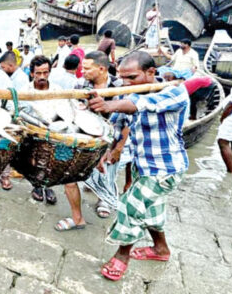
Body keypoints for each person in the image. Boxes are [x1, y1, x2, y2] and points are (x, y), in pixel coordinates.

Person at [89, 51, 193, 282]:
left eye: (133, 78)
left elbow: (140, 104)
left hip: (166, 169)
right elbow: (117, 127)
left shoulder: (174, 91)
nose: (126, 84)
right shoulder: (129, 94)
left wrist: (110, 104)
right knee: (152, 212)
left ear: (151, 73)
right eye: (123, 79)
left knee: (130, 206)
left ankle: (122, 256)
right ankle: (161, 249)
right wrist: (106, 152)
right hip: (142, 166)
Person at [56, 52, 121, 233]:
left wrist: (115, 148)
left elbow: (122, 121)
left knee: (107, 174)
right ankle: (77, 218)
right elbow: (75, 110)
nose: (82, 71)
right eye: (81, 67)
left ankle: (105, 200)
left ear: (101, 69)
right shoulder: (79, 84)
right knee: (69, 177)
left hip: (112, 137)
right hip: (85, 136)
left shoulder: (119, 86)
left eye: (86, 68)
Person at [25, 56, 58, 205]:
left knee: (52, 161)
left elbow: (65, 109)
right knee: (35, 160)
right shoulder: (25, 91)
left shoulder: (58, 90)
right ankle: (37, 186)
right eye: (38, 73)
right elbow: (18, 111)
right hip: (33, 130)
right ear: (32, 73)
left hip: (54, 130)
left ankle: (48, 186)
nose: (42, 77)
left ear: (50, 72)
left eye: (45, 73)